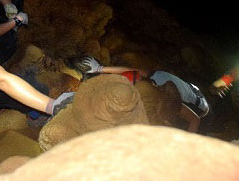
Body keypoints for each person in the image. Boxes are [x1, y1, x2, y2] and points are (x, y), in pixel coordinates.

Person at [75, 56, 209, 132]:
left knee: (168, 119)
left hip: (200, 107)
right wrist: (100, 68)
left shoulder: (171, 97)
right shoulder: (154, 76)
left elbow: (195, 119)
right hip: (188, 87)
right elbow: (130, 70)